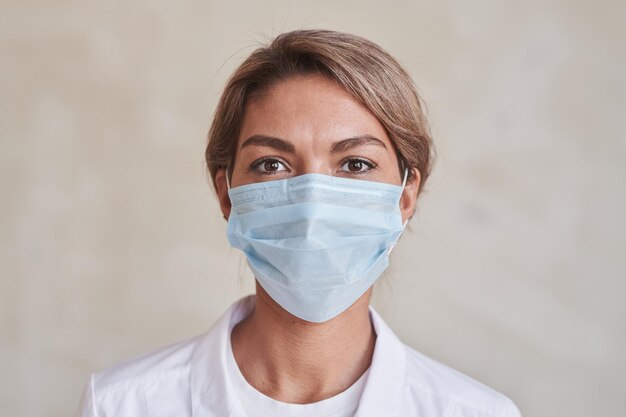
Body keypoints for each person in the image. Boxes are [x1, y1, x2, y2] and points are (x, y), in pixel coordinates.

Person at [76, 29, 522, 417]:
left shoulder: (477, 413)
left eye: (355, 164)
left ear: (405, 196)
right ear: (227, 195)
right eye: (271, 165)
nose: (312, 204)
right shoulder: (121, 405)